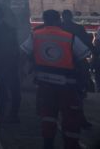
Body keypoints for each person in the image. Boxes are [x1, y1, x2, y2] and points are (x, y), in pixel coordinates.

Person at [20, 9, 91, 149]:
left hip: (45, 83)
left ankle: (48, 145)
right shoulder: (69, 37)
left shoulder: (35, 35)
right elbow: (83, 60)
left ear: (44, 20)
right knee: (70, 118)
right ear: (59, 20)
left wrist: (23, 72)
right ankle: (71, 145)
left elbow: (23, 54)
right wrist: (84, 82)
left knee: (48, 116)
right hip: (68, 85)